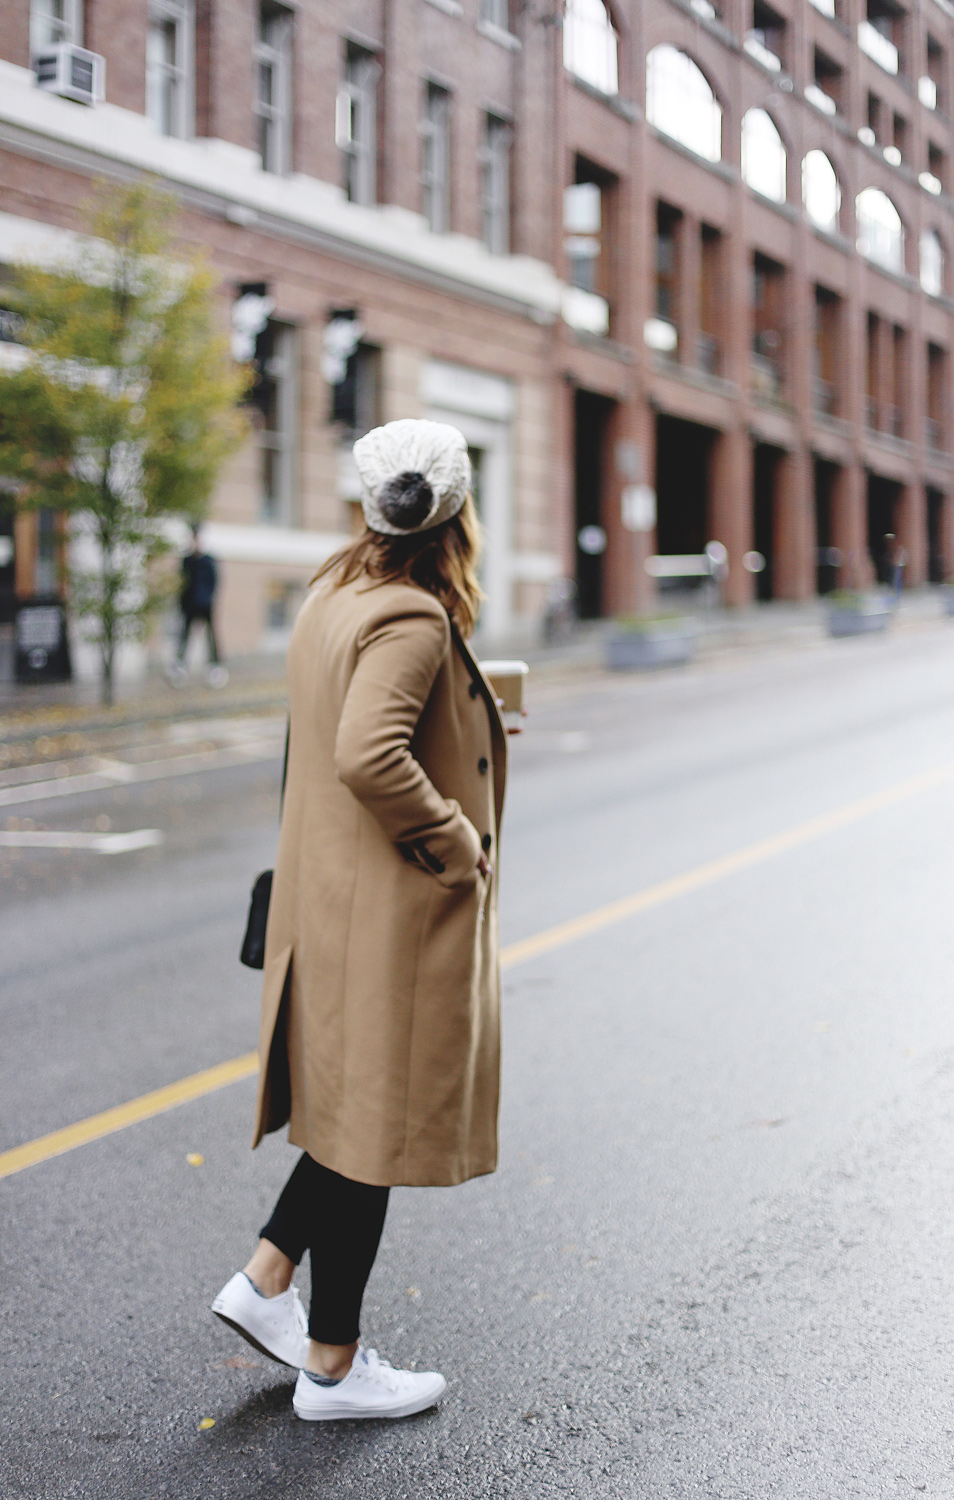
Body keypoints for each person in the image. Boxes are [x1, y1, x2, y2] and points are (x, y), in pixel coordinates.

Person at [211, 419, 506, 1422]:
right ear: (460, 514)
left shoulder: (334, 593)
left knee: (348, 1115)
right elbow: (369, 754)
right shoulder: (410, 619)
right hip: (389, 909)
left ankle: (264, 1281)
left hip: (328, 900)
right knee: (372, 1131)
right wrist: (455, 839)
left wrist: (476, 711)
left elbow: (359, 720)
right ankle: (331, 1365)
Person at [173, 525, 227, 687]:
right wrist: (182, 604)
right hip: (190, 605)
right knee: (185, 635)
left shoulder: (208, 560)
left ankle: (215, 665)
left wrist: (208, 600)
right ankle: (180, 666)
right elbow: (182, 583)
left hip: (205, 604)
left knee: (211, 636)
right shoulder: (187, 560)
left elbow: (213, 582)